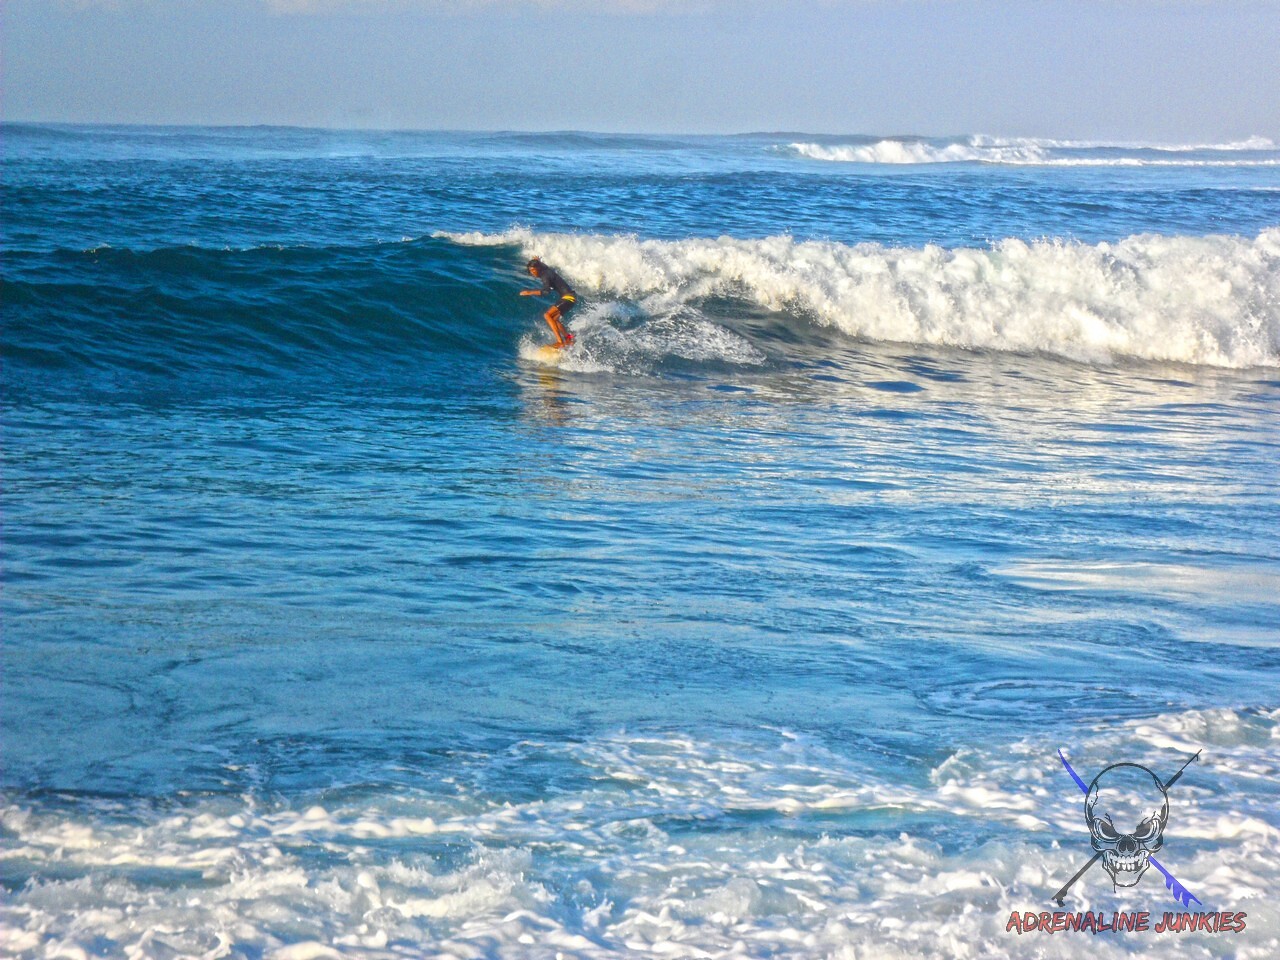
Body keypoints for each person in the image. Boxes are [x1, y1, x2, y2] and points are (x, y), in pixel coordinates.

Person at [520, 258, 577, 347]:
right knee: (554, 319)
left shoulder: (545, 276)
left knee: (547, 315)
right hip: (571, 298)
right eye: (530, 270)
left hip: (568, 298)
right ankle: (568, 338)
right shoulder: (545, 270)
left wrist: (529, 292)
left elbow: (546, 292)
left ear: (538, 268)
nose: (532, 272)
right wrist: (537, 261)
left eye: (533, 270)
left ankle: (560, 341)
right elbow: (543, 266)